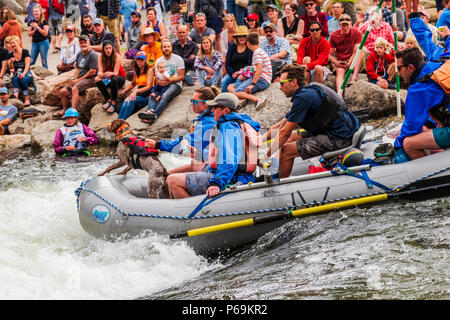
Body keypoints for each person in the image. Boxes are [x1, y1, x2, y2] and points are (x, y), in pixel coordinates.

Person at [263, 64, 360, 178]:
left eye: (282, 83)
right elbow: (283, 124)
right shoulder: (307, 91)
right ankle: (278, 168)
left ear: (294, 82)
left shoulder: (303, 98)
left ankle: (281, 183)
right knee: (291, 138)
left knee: (286, 150)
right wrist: (261, 139)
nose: (280, 87)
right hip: (338, 129)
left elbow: (284, 133)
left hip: (340, 137)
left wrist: (266, 157)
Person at [165, 92, 261, 198]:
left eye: (215, 107)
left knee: (172, 180)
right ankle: (166, 178)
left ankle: (192, 212)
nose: (212, 110)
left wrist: (216, 183)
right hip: (242, 176)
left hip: (233, 179)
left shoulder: (228, 126)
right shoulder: (240, 123)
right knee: (197, 165)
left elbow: (229, 159)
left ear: (226, 110)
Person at [144, 86, 219, 174]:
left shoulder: (207, 123)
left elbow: (185, 146)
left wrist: (158, 144)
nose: (191, 104)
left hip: (211, 167)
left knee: (167, 178)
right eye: (191, 100)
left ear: (206, 103)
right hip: (204, 162)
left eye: (194, 101)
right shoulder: (205, 119)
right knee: (167, 174)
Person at [393, 47, 450, 160]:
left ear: (410, 68)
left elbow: (411, 127)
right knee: (426, 128)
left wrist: (397, 145)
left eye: (399, 68)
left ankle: (437, 175)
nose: (398, 73)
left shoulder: (418, 89)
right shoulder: (439, 65)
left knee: (408, 143)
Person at [139, 39, 185, 123]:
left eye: (168, 46)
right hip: (161, 84)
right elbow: (156, 77)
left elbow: (181, 76)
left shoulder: (178, 59)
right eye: (164, 47)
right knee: (152, 95)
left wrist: (170, 81)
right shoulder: (158, 61)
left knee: (164, 96)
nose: (166, 48)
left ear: (171, 48)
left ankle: (154, 115)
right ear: (161, 48)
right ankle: (150, 111)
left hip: (175, 84)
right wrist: (158, 82)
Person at [57, 35, 98, 117]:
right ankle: (65, 110)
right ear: (79, 44)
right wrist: (74, 79)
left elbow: (92, 72)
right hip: (80, 78)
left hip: (91, 79)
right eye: (81, 43)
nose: (83, 44)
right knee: (63, 92)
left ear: (89, 43)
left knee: (75, 89)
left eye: (85, 42)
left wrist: (78, 81)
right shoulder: (79, 54)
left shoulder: (93, 55)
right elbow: (78, 69)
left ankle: (73, 113)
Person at [228, 32, 271, 110]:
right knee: (230, 86)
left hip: (262, 80)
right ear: (258, 42)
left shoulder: (257, 53)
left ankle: (258, 100)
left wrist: (252, 84)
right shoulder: (258, 51)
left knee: (236, 92)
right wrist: (241, 72)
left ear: (247, 43)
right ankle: (243, 97)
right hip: (259, 78)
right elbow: (253, 68)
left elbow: (259, 70)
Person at [328, 14, 363, 89]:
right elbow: (330, 55)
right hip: (341, 61)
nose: (345, 27)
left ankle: (354, 78)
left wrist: (349, 62)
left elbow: (356, 52)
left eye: (347, 25)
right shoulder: (334, 35)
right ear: (339, 25)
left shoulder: (357, 33)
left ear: (351, 24)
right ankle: (339, 95)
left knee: (361, 50)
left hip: (353, 59)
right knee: (340, 71)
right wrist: (336, 62)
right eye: (343, 25)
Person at [117, 50, 154, 119]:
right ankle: (118, 120)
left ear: (145, 61)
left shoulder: (149, 70)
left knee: (131, 100)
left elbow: (149, 87)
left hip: (147, 96)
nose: (139, 61)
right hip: (140, 95)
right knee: (126, 100)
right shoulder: (136, 70)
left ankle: (123, 121)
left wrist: (135, 91)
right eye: (138, 59)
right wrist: (126, 90)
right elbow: (133, 84)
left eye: (142, 59)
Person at [95, 40, 126, 113]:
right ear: (103, 49)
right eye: (106, 48)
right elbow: (100, 71)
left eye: (110, 48)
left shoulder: (116, 56)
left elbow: (116, 73)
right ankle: (108, 99)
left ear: (112, 48)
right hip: (109, 79)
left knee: (114, 79)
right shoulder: (100, 56)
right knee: (97, 79)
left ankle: (113, 101)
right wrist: (100, 74)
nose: (109, 50)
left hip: (119, 78)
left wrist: (110, 73)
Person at [222, 26, 253, 93]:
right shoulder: (232, 46)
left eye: (244, 36)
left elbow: (250, 64)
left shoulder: (250, 47)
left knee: (237, 82)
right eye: (240, 36)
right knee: (224, 81)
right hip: (232, 72)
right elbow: (227, 63)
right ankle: (223, 99)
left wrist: (240, 73)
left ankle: (234, 99)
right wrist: (233, 73)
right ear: (237, 37)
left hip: (244, 74)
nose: (242, 38)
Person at [7, 36, 33, 107]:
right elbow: (10, 68)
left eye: (13, 42)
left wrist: (24, 74)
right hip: (17, 75)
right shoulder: (10, 54)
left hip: (27, 74)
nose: (12, 45)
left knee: (22, 79)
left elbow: (27, 65)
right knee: (15, 78)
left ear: (18, 42)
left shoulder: (25, 51)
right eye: (10, 43)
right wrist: (10, 62)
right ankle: (16, 96)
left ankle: (27, 99)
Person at [28, 4, 50, 69]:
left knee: (43, 61)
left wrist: (37, 27)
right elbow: (29, 34)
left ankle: (47, 75)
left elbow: (45, 33)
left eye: (37, 11)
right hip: (35, 43)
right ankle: (29, 73)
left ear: (40, 12)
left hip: (43, 42)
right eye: (34, 11)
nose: (36, 13)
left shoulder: (44, 21)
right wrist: (34, 29)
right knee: (31, 61)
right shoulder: (31, 21)